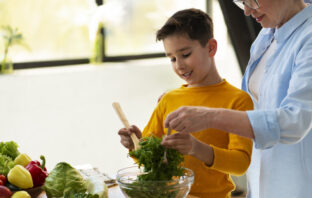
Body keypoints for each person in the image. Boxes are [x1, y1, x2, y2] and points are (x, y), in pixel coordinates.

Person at [162, 1, 312, 198]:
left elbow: (295, 120)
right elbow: (260, 102)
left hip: (296, 185)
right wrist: (191, 97)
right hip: (260, 182)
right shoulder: (267, 35)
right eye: (241, 2)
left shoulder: (308, 38)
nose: (248, 11)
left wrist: (209, 116)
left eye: (252, 0)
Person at [118, 8, 254, 198]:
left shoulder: (238, 101)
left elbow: (240, 164)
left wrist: (197, 148)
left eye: (185, 54)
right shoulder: (169, 99)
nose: (179, 65)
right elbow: (150, 160)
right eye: (172, 58)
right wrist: (134, 145)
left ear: (211, 48)